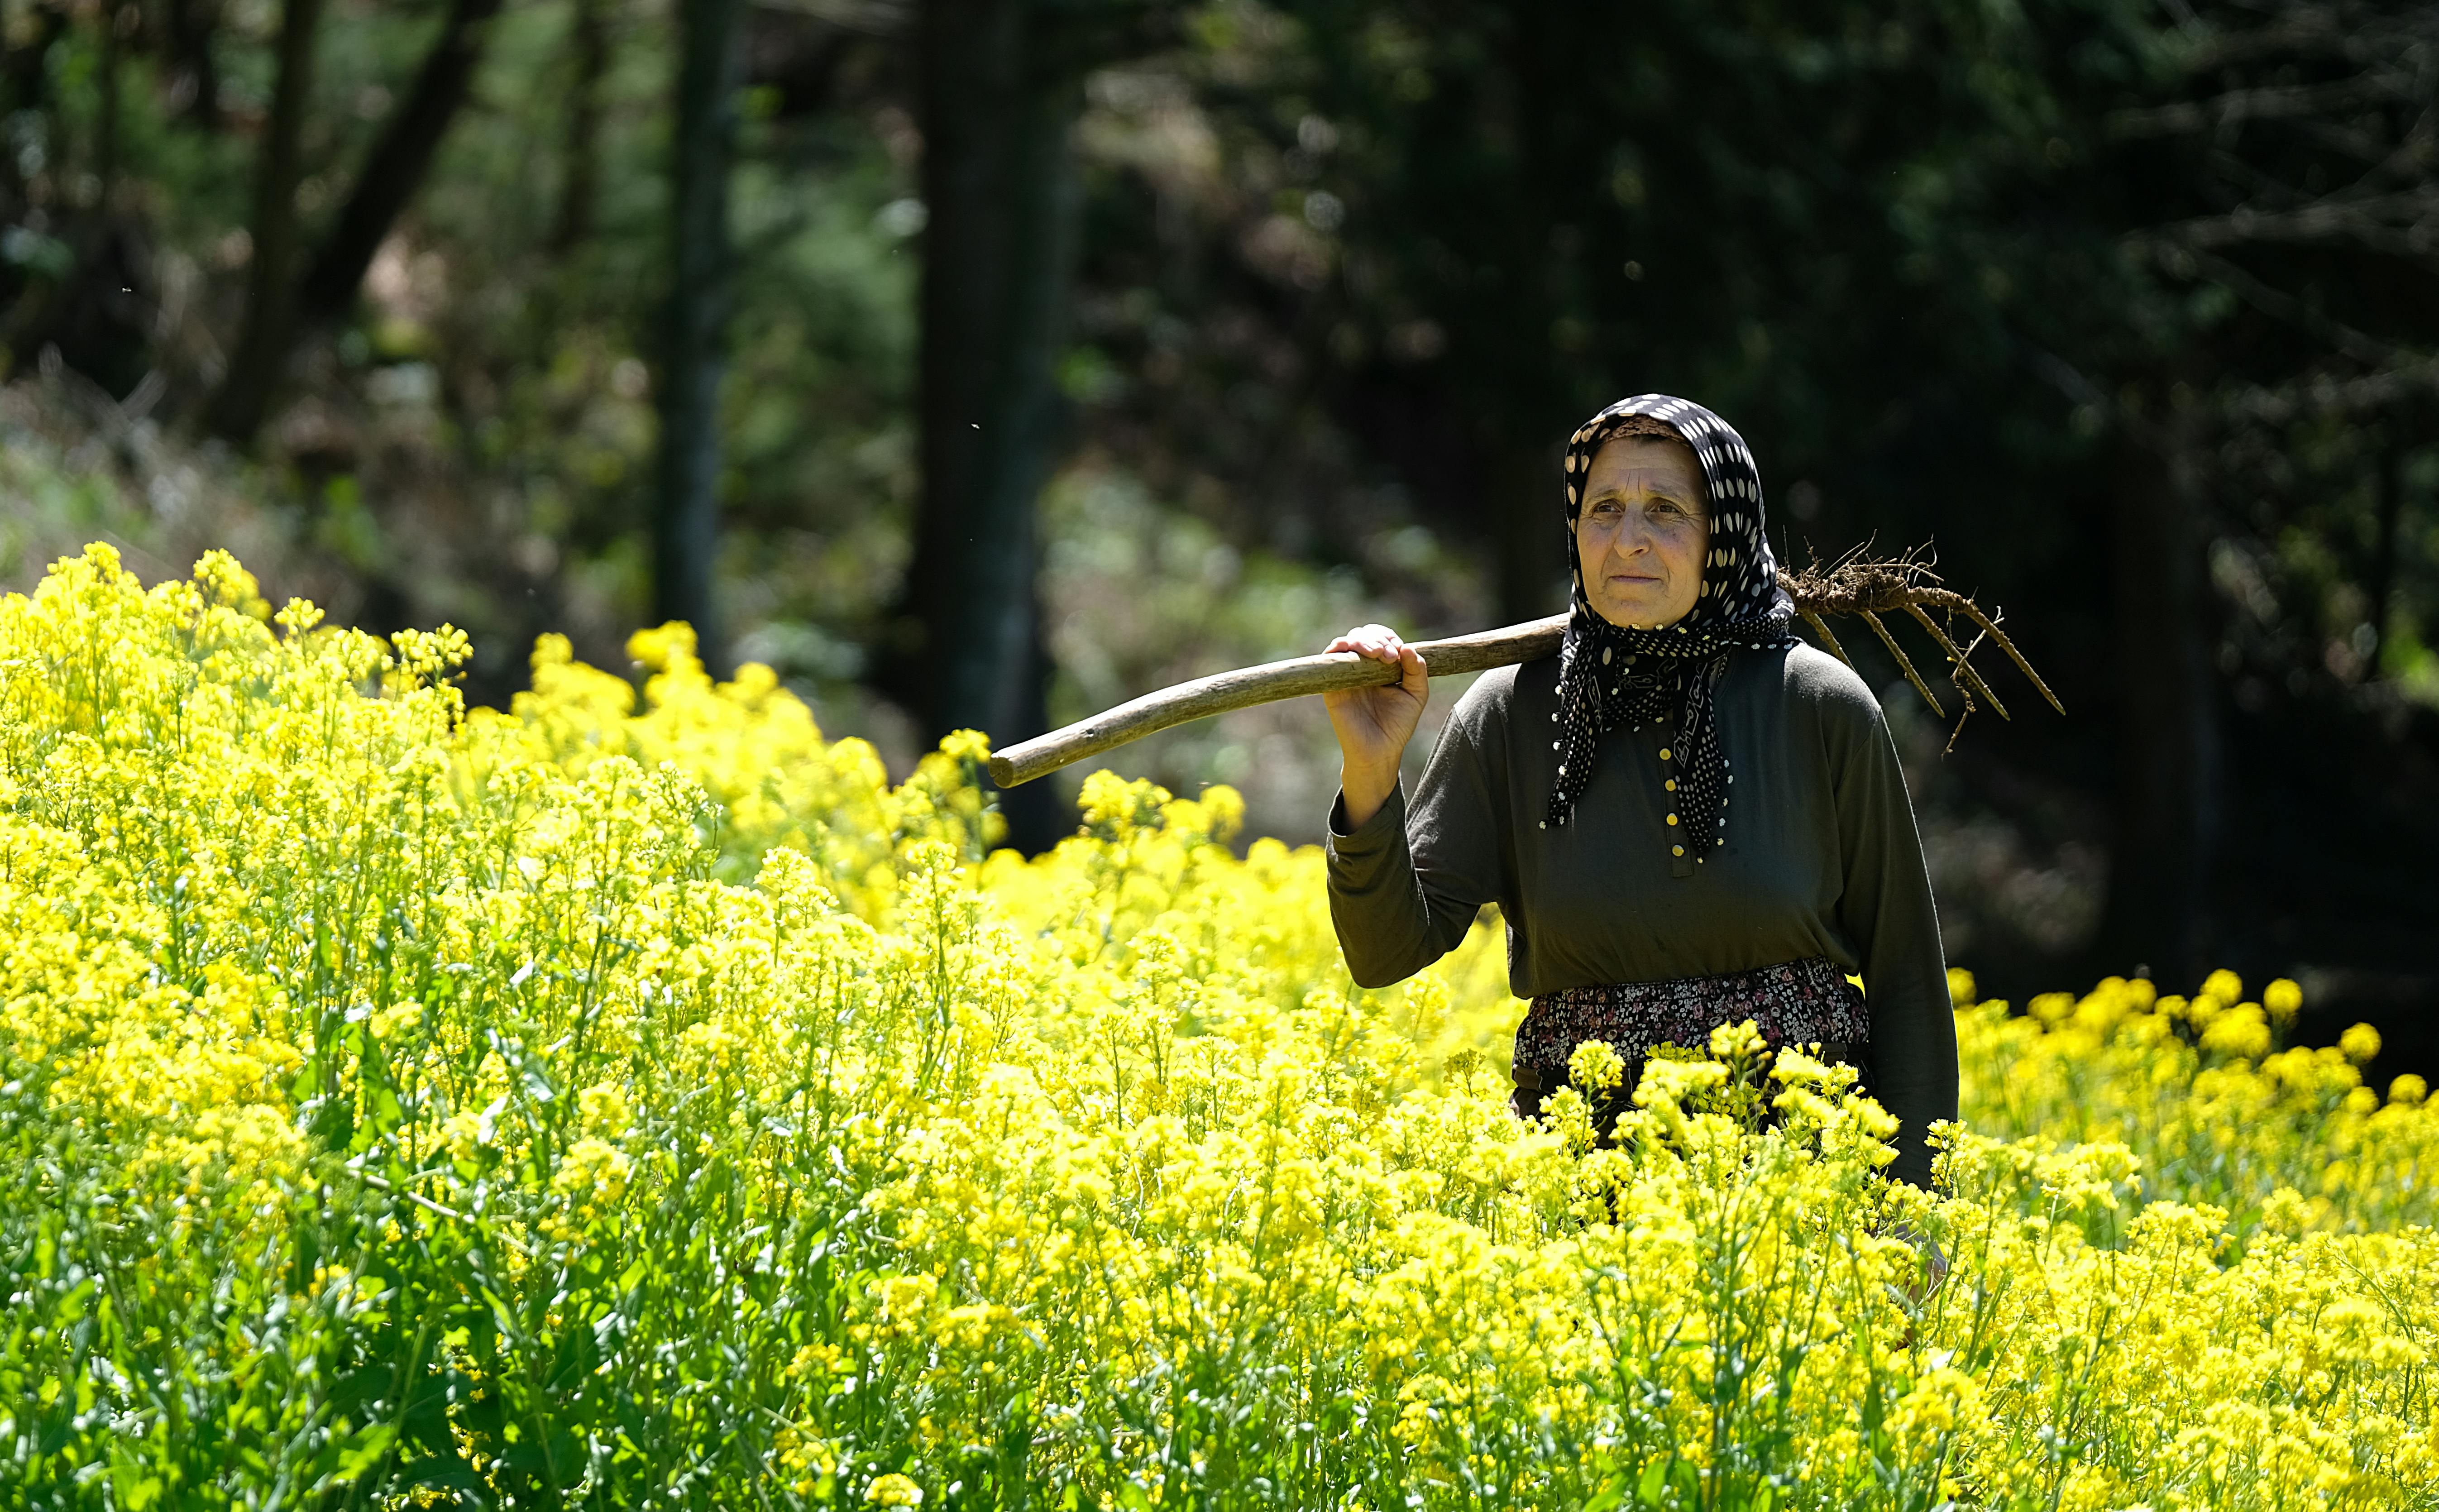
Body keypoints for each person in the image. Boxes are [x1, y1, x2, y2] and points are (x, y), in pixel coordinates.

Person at [1322, 393, 1956, 1190]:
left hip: (1797, 1186)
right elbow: (1385, 954)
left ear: (1722, 534)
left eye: (1665, 511)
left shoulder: (1817, 705)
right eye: (1605, 509)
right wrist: (1372, 769)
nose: (1628, 541)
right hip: (1586, 1182)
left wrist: (1911, 1209)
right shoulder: (1513, 711)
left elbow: (1907, 979)